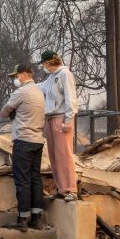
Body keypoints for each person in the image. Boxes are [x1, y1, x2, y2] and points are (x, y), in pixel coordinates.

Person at [0, 63, 46, 232]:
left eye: (17, 76)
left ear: (25, 74)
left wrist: (13, 113)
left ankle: (22, 220)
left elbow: (4, 112)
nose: (16, 79)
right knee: (35, 178)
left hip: (23, 140)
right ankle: (37, 219)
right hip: (37, 141)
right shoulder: (40, 93)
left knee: (22, 181)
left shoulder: (21, 92)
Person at [38, 50, 79, 202]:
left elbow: (71, 98)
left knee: (64, 154)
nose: (43, 66)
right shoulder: (51, 77)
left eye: (43, 63)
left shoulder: (64, 74)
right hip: (50, 117)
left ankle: (70, 189)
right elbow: (41, 87)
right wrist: (27, 85)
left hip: (61, 117)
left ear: (48, 62)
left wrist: (68, 120)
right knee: (54, 156)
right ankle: (60, 188)